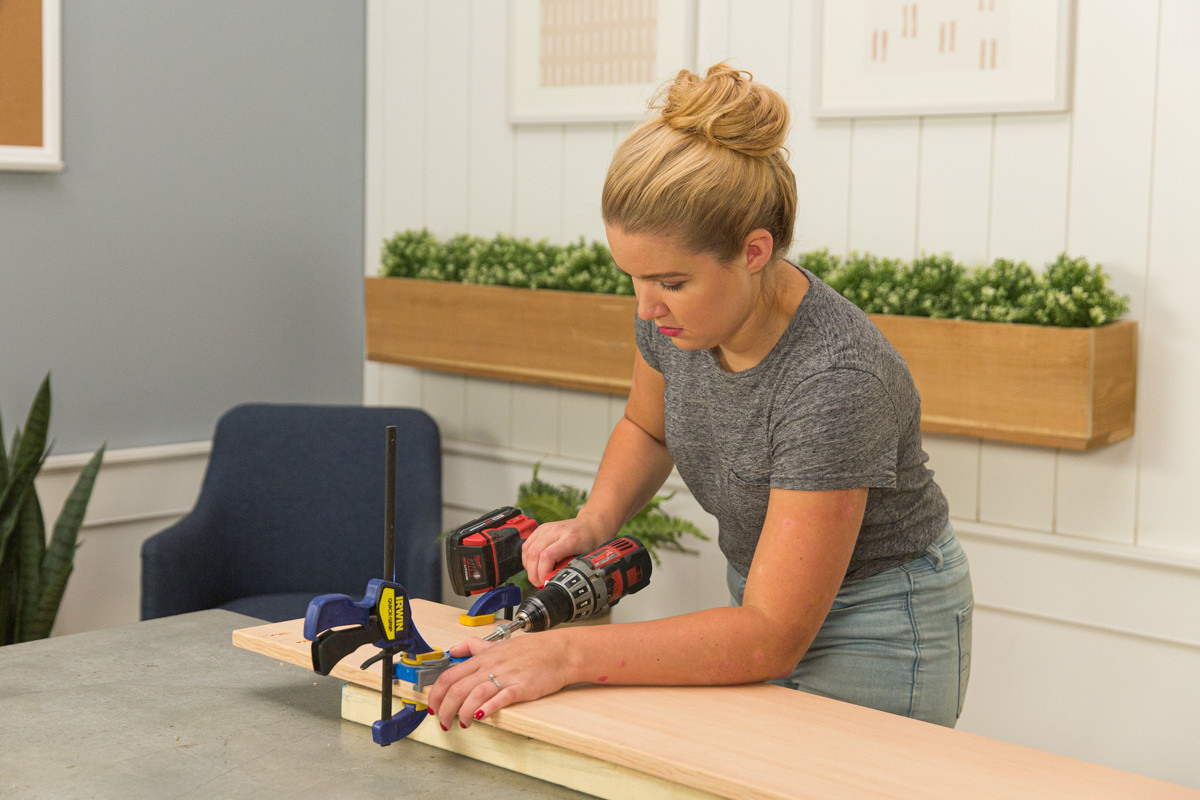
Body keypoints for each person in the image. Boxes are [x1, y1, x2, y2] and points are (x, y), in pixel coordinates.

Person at [426, 63, 973, 732]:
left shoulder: (835, 379)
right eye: (633, 278)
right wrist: (595, 520)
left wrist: (563, 652)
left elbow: (771, 633)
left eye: (671, 281)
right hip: (759, 603)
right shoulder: (675, 318)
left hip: (876, 624)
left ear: (753, 250)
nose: (648, 306)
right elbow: (646, 427)